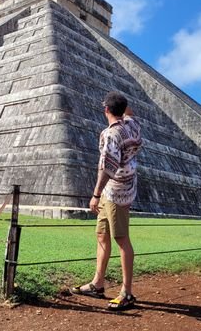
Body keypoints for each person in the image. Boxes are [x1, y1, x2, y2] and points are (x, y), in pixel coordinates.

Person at [71, 91, 142, 311]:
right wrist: (121, 103)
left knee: (121, 238)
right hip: (123, 186)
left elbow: (107, 168)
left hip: (116, 192)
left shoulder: (111, 134)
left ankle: (127, 292)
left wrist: (95, 194)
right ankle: (97, 283)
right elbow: (129, 111)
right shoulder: (132, 124)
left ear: (106, 110)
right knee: (102, 233)